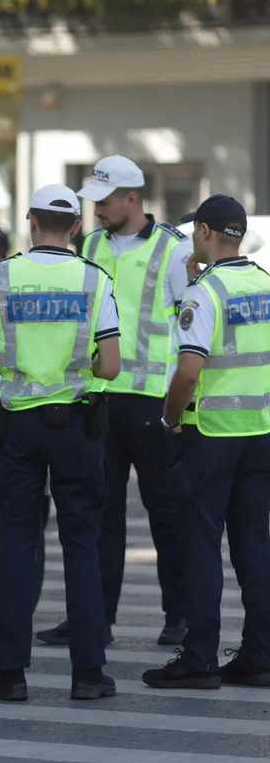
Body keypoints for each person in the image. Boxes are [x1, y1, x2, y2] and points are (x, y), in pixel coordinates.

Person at [0, 184, 121, 701]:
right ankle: (89, 674)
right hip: (78, 426)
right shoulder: (95, 280)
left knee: (18, 543)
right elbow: (112, 365)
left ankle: (9, 674)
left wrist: (16, 365)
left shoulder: (2, 276)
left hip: (20, 428)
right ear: (75, 226)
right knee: (82, 544)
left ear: (31, 221)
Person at [37, 156, 192, 648]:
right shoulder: (90, 244)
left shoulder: (174, 249)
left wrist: (183, 407)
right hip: (99, 397)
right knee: (98, 511)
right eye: (93, 202)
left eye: (104, 202)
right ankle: (93, 619)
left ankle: (180, 615)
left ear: (132, 198)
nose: (97, 210)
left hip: (153, 402)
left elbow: (193, 328)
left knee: (166, 510)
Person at [144, 194, 270, 689]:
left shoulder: (204, 294)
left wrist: (170, 418)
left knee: (200, 547)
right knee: (253, 546)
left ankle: (199, 659)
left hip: (210, 437)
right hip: (259, 434)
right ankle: (260, 655)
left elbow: (188, 373)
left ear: (202, 231)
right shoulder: (264, 283)